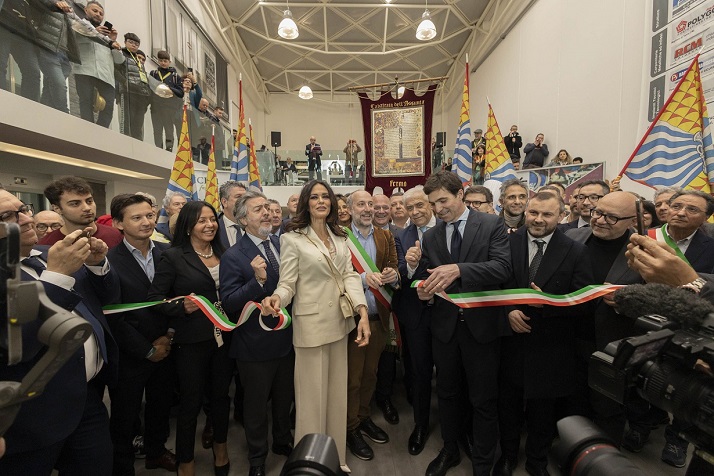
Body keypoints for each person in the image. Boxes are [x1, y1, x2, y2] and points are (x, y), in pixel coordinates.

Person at [0, 189, 119, 475]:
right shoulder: (56, 263)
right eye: (8, 216)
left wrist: (97, 265)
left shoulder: (50, 254)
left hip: (85, 397)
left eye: (23, 209)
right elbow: (18, 344)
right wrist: (55, 278)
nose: (25, 219)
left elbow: (107, 299)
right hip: (32, 416)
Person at [261, 180, 371, 473]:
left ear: (332, 202)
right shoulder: (292, 238)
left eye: (325, 196)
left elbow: (349, 276)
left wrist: (361, 312)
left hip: (340, 323)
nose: (321, 201)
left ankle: (336, 460)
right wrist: (277, 298)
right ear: (306, 204)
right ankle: (309, 466)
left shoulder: (340, 236)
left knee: (336, 397)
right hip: (310, 326)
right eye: (314, 197)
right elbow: (287, 283)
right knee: (311, 400)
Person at [416, 171, 511, 476]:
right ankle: (450, 449)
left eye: (443, 201)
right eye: (433, 203)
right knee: (446, 393)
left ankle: (483, 462)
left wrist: (459, 269)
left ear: (460, 194)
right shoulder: (431, 236)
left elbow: (502, 268)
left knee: (483, 399)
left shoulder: (491, 224)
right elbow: (426, 275)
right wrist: (422, 289)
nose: (438, 209)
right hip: (444, 330)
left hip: (481, 329)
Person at [495, 191, 593, 476]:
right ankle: (508, 457)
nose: (538, 219)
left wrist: (549, 304)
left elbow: (585, 303)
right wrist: (508, 311)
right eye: (533, 213)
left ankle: (536, 461)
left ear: (561, 216)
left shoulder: (576, 251)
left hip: (552, 346)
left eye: (547, 214)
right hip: (511, 343)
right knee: (508, 406)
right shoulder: (506, 243)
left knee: (543, 411)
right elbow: (495, 284)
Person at [148, 201, 233, 476]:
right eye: (201, 221)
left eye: (212, 219)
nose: (210, 225)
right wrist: (180, 307)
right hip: (191, 343)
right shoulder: (173, 257)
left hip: (224, 338)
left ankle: (221, 449)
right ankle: (186, 461)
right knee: (190, 403)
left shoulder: (225, 253)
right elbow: (155, 299)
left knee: (220, 399)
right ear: (187, 227)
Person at [220, 191, 294, 476]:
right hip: (254, 347)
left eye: (267, 207)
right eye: (257, 209)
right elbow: (229, 303)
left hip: (287, 340)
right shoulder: (233, 255)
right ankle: (258, 459)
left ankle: (283, 442)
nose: (266, 213)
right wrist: (257, 282)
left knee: (284, 399)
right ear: (242, 219)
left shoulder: (282, 244)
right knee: (255, 406)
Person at [565, 191, 644, 446]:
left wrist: (629, 299)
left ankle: (606, 459)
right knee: (572, 403)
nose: (599, 220)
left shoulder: (646, 251)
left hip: (612, 345)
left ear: (632, 220)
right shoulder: (572, 237)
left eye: (611, 217)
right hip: (569, 338)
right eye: (597, 212)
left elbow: (663, 299)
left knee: (607, 408)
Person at [106, 194, 176, 475]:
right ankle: (123, 466)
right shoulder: (108, 261)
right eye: (136, 218)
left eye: (149, 215)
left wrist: (168, 337)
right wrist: (147, 350)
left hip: (166, 345)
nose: (146, 222)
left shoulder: (167, 253)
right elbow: (114, 316)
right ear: (118, 224)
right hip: (130, 353)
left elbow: (176, 298)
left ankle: (156, 452)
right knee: (125, 416)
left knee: (161, 407)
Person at [344, 191, 399, 462]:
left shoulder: (385, 236)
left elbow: (395, 268)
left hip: (379, 318)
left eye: (371, 204)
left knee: (370, 375)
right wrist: (365, 279)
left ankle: (364, 417)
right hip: (353, 322)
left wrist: (393, 275)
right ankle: (350, 427)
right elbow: (336, 277)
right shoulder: (339, 237)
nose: (368, 209)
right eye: (362, 204)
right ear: (349, 209)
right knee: (352, 379)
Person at [395, 186, 438, 456]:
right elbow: (401, 272)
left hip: (447, 314)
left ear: (431, 204)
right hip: (416, 316)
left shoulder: (447, 227)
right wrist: (410, 266)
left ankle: (458, 428)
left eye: (419, 205)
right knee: (420, 374)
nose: (414, 212)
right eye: (409, 207)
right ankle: (420, 426)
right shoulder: (402, 235)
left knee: (451, 374)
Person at [39, 176, 123, 249]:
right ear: (57, 208)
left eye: (89, 201)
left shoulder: (115, 235)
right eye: (75, 204)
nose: (87, 208)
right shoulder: (46, 245)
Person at [72, 1, 120, 128]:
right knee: (85, 103)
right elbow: (75, 38)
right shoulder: (78, 24)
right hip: (85, 71)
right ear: (86, 10)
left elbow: (119, 60)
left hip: (106, 76)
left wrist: (113, 41)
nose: (98, 14)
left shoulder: (107, 37)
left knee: (108, 109)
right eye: (95, 11)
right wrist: (94, 32)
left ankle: (100, 133)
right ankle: (88, 132)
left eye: (101, 13)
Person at [150, 50, 184, 151]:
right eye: (161, 60)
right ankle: (158, 149)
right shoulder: (154, 73)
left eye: (165, 61)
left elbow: (181, 93)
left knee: (169, 130)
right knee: (157, 130)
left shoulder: (175, 77)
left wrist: (169, 88)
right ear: (158, 61)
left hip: (169, 108)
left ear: (169, 62)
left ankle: (169, 150)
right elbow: (150, 88)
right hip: (155, 107)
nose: (163, 63)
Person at [217, 181, 247, 249]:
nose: (244, 200)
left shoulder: (254, 226)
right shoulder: (214, 228)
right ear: (224, 202)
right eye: (238, 197)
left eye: (245, 197)